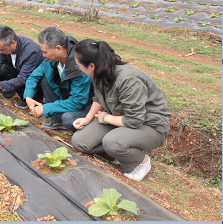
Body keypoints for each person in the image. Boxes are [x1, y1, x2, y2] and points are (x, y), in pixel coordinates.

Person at [71, 39, 171, 182]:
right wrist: (87, 119)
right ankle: (119, 155)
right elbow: (99, 98)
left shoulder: (128, 79)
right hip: (120, 118)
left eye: (79, 65)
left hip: (150, 125)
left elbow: (135, 120)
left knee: (112, 142)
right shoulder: (99, 72)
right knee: (80, 141)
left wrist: (106, 118)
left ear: (91, 65)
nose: (78, 68)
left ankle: (140, 162)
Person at [23, 27, 93, 131]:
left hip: (88, 104)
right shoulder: (52, 59)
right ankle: (56, 121)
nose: (43, 55)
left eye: (45, 52)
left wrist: (46, 108)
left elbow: (77, 101)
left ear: (58, 48)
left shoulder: (80, 65)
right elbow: (34, 75)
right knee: (45, 79)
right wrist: (28, 97)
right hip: (67, 95)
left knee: (69, 120)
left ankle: (83, 126)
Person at [0, 26, 44, 109]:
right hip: (21, 71)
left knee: (27, 79)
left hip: (37, 79)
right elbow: (0, 64)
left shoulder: (31, 52)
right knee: (4, 68)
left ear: (13, 43)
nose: (0, 52)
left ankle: (36, 99)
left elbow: (23, 78)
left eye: (2, 49)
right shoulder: (6, 45)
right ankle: (24, 98)